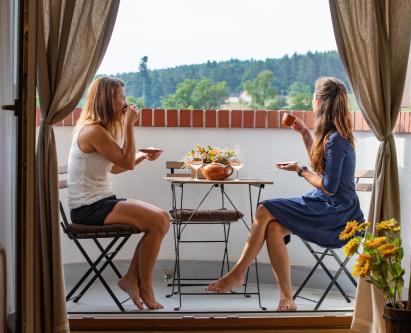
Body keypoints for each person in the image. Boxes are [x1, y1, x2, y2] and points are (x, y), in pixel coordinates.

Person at [207, 77, 364, 311]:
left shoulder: (337, 140)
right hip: (327, 204)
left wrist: (299, 170)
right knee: (273, 228)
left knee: (264, 208)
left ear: (318, 102)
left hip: (337, 214)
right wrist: (304, 133)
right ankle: (287, 299)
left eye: (313, 96)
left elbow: (329, 186)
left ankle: (237, 274)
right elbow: (322, 169)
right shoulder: (333, 136)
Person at [67, 77, 170, 310]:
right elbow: (125, 162)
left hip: (100, 202)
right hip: (88, 208)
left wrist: (141, 155)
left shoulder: (97, 130)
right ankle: (143, 286)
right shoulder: (94, 131)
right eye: (121, 97)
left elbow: (115, 166)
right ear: (107, 100)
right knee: (160, 220)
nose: (126, 103)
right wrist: (128, 125)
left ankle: (132, 279)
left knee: (161, 219)